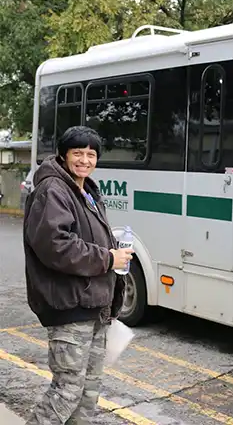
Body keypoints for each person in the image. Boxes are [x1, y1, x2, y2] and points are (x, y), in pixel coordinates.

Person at [23, 126, 134, 425]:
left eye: (91, 154)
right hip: (70, 306)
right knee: (67, 391)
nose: (85, 160)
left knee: (88, 394)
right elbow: (55, 245)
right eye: (78, 153)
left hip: (94, 306)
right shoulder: (53, 190)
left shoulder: (84, 189)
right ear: (63, 154)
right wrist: (108, 258)